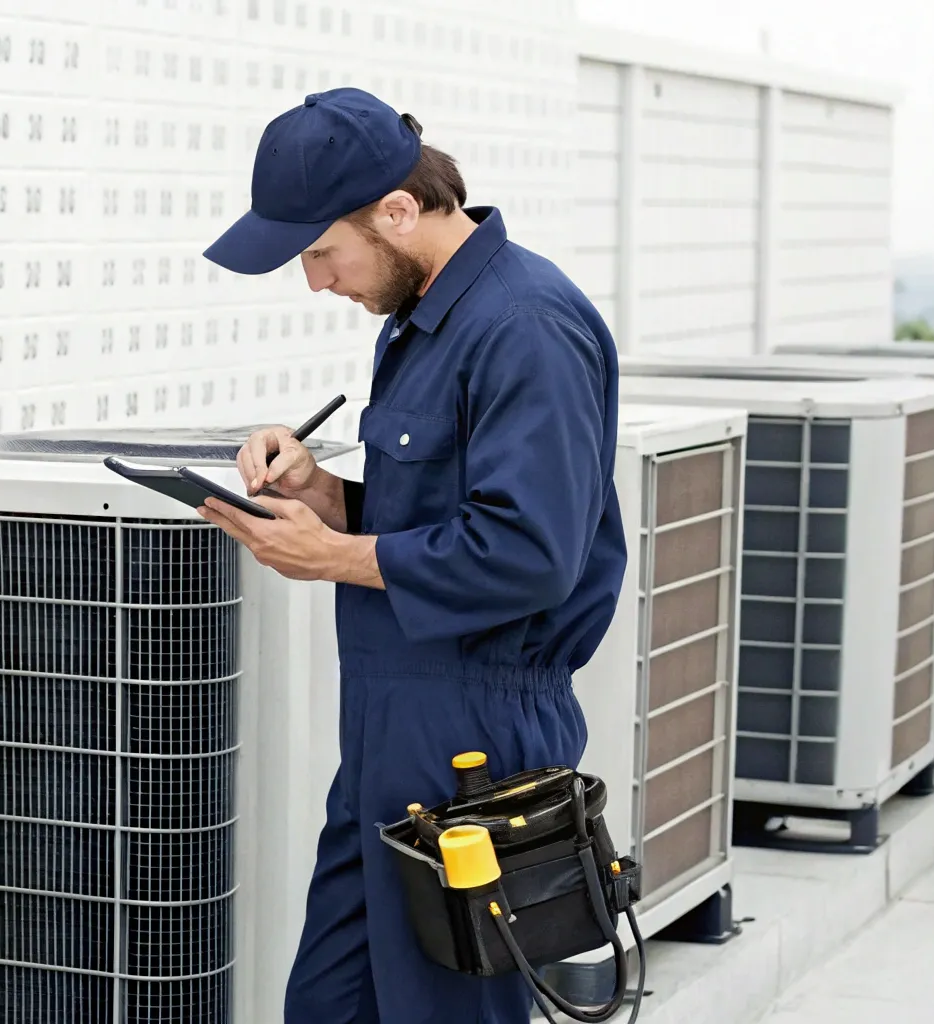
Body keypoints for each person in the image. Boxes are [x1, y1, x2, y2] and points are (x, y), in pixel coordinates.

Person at [195, 88, 629, 1022]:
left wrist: (336, 559)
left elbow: (528, 553)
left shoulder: (524, 327)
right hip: (392, 732)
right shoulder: (423, 315)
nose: (315, 281)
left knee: (447, 1011)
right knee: (330, 1002)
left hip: (478, 737)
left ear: (398, 212)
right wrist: (324, 498)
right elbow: (437, 509)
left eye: (320, 252)